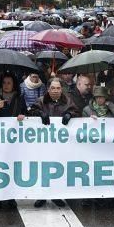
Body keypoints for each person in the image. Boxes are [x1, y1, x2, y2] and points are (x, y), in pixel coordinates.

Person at [29, 78, 78, 209]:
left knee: (58, 168)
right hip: (43, 142)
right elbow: (31, 112)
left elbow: (76, 112)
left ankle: (56, 195)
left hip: (60, 143)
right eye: (53, 88)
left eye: (58, 88)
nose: (55, 91)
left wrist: (69, 114)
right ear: (48, 89)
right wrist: (40, 113)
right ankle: (42, 196)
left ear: (61, 89)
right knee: (43, 168)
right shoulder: (40, 101)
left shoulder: (67, 101)